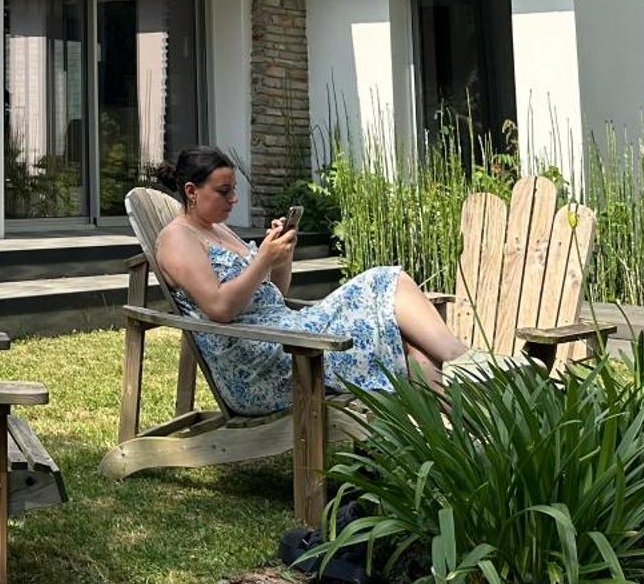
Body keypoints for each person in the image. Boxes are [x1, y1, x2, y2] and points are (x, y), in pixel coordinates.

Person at [154, 146, 468, 415]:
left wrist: (282, 255)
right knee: (382, 280)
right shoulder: (177, 238)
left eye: (234, 190)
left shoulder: (219, 229)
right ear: (192, 191)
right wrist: (263, 258)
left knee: (409, 339)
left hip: (286, 335)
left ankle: (461, 435)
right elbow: (219, 307)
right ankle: (466, 362)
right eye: (224, 191)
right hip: (261, 364)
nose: (233, 199)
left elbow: (275, 292)